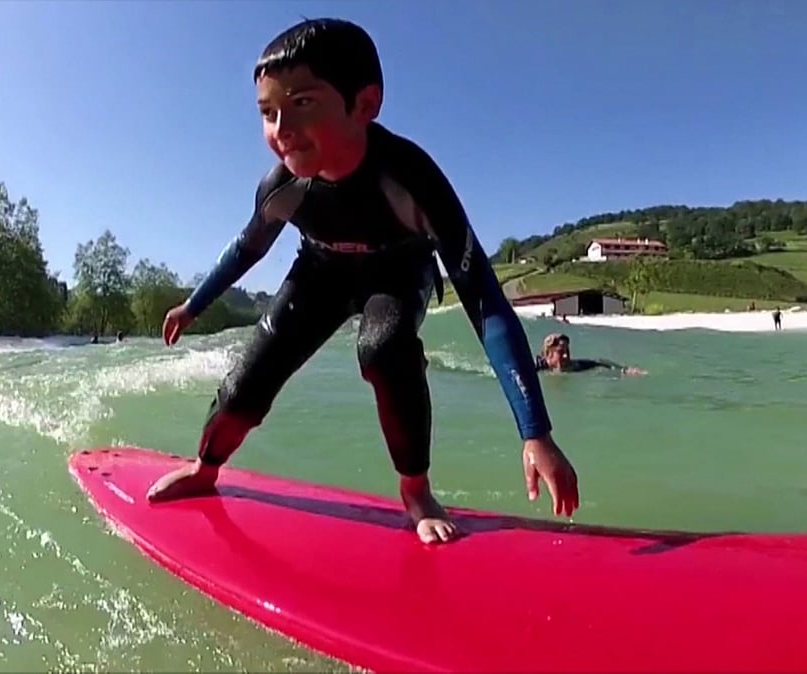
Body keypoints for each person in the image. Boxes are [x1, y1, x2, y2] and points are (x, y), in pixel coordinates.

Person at [146, 18, 579, 545]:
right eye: (267, 112)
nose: (281, 127)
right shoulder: (281, 187)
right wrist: (193, 305)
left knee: (385, 345)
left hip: (399, 272)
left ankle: (415, 491)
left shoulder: (413, 181)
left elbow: (486, 304)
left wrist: (535, 431)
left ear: (364, 104)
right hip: (319, 273)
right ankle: (206, 467)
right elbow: (246, 249)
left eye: (302, 103)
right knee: (244, 386)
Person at [535, 333, 645, 375]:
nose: (566, 356)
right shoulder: (536, 367)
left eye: (567, 351)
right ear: (548, 353)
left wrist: (624, 370)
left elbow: (598, 362)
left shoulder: (574, 366)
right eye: (560, 352)